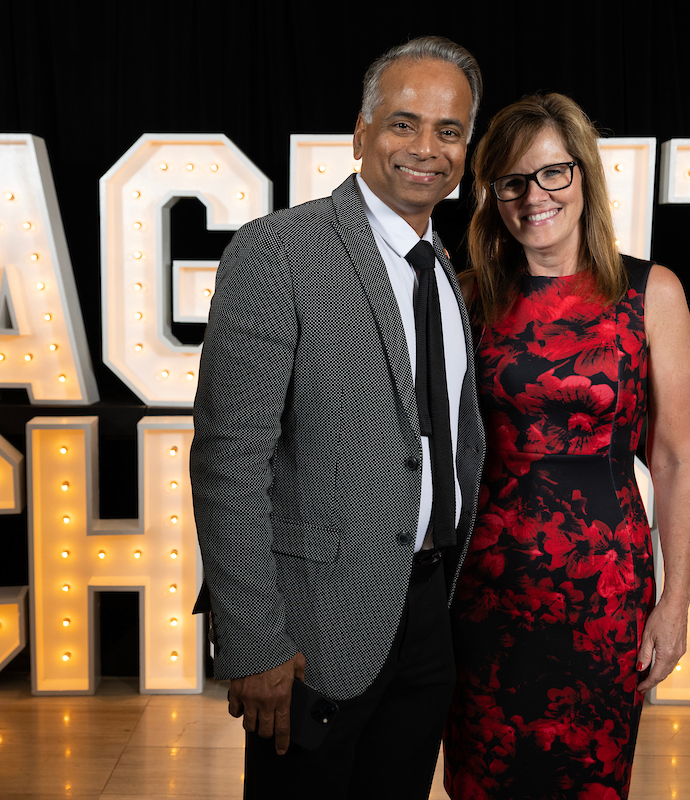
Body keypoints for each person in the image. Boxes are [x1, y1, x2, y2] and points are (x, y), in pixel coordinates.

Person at [190, 36, 486, 798]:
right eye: (403, 123)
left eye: (449, 131)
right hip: (313, 625)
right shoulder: (279, 252)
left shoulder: (444, 270)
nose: (426, 148)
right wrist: (253, 640)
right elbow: (228, 460)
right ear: (360, 134)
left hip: (427, 611)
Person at [443, 94, 690, 799]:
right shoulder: (464, 297)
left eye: (553, 173)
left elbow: (675, 459)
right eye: (512, 181)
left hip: (605, 593)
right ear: (493, 195)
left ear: (584, 174)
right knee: (481, 780)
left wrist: (676, 601)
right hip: (483, 590)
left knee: (590, 780)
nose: (535, 197)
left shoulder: (651, 293)